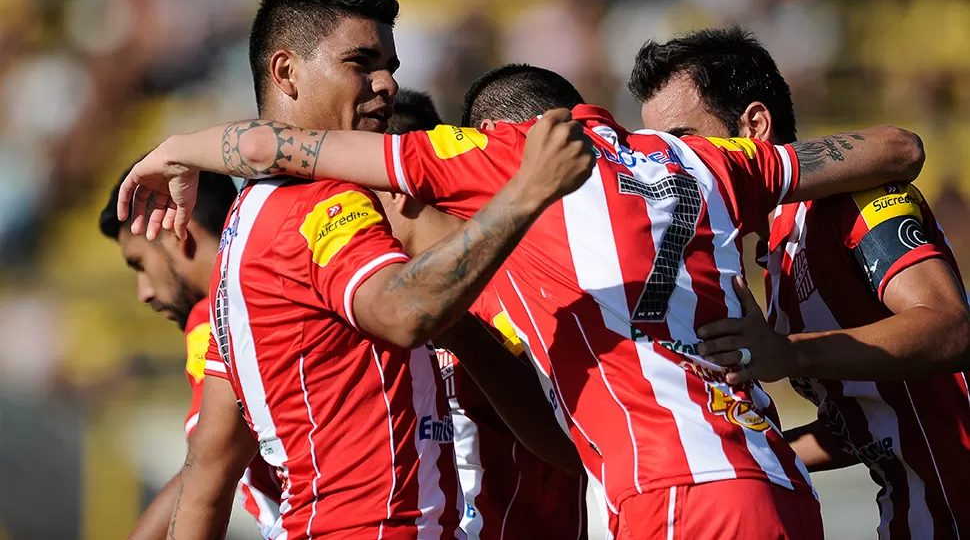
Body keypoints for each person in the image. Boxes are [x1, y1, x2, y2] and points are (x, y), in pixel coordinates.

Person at [121, 54, 927, 540]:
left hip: (676, 496)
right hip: (780, 489)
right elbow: (899, 146)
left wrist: (176, 147)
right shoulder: (707, 163)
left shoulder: (498, 162)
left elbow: (284, 142)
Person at [124, 0, 596, 540]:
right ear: (286, 72)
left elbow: (207, 476)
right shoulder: (318, 206)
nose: (387, 83)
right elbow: (403, 313)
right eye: (361, 62)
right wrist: (525, 194)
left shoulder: (250, 224)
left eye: (389, 66)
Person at [632, 26, 970, 539]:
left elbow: (950, 326)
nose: (672, 168)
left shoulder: (848, 198)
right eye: (658, 153)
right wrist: (746, 456)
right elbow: (866, 421)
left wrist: (791, 354)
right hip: (914, 514)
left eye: (682, 144)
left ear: (754, 126)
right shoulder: (771, 264)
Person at [385, 89, 588, 539]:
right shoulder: (377, 302)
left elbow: (578, 449)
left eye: (356, 190)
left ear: (399, 188)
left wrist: (456, 328)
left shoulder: (523, 281)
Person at [98, 167, 281, 540]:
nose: (144, 292)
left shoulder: (215, 315)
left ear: (178, 234)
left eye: (140, 265)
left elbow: (205, 473)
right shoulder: (279, 285)